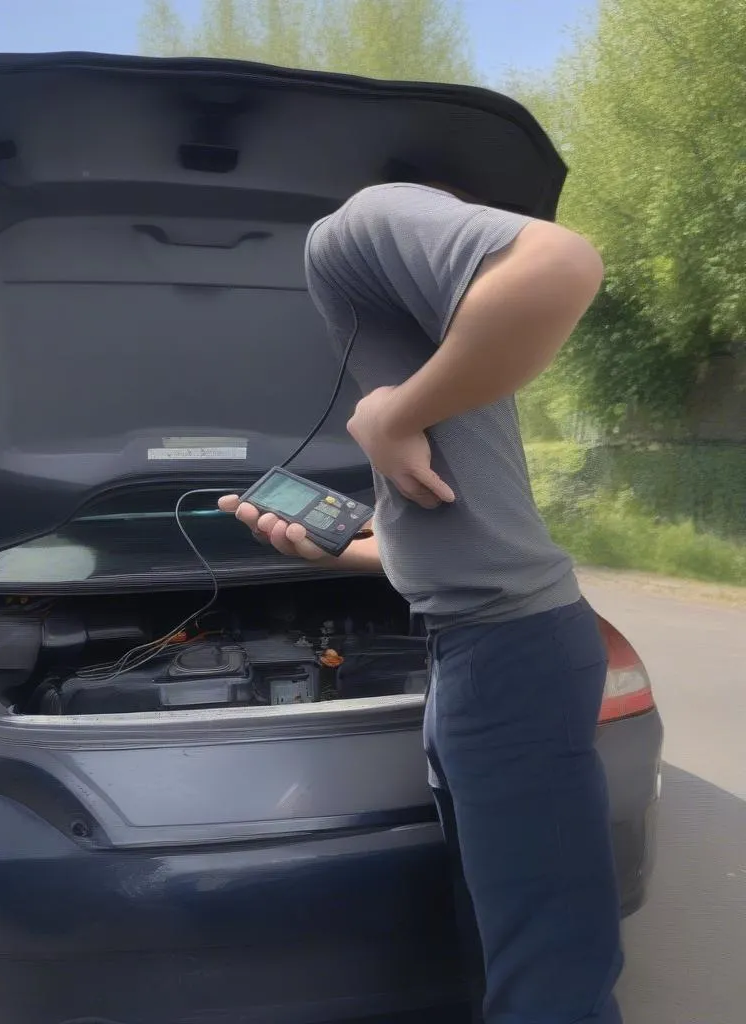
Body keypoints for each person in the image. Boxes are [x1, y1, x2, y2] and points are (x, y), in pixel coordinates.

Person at [218, 182, 624, 1024]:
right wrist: (361, 549)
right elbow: (457, 512)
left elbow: (564, 262)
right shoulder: (422, 312)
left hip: (513, 652)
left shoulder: (359, 224)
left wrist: (388, 415)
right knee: (502, 930)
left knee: (552, 966)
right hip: (471, 649)